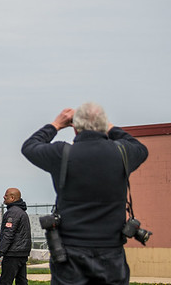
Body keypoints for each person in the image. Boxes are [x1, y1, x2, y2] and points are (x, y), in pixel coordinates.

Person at [21, 102, 149, 285]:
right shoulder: (122, 153)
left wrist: (55, 125)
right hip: (111, 250)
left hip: (70, 253)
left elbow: (29, 147)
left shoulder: (62, 154)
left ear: (75, 128)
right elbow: (140, 148)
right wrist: (109, 127)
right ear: (104, 126)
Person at [0, 188, 31, 285]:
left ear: (12, 198)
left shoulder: (12, 213)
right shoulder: (22, 212)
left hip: (13, 254)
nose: (4, 197)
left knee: (5, 281)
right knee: (21, 281)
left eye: (6, 195)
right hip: (22, 253)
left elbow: (8, 235)